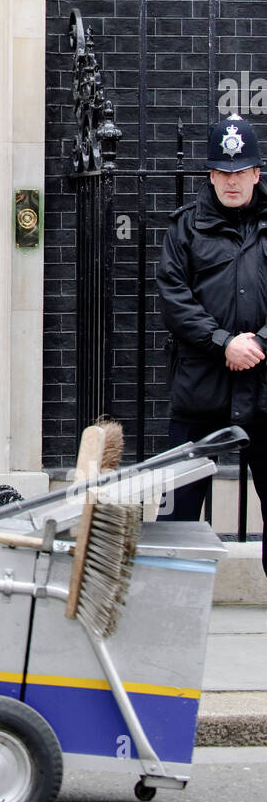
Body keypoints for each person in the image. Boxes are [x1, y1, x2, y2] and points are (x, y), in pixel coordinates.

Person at [157, 114, 267, 574]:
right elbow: (173, 295)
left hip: (264, 390)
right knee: (178, 518)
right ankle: (168, 609)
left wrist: (260, 341)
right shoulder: (185, 228)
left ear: (257, 173)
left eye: (240, 172)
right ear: (210, 175)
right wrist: (223, 342)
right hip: (200, 389)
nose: (232, 182)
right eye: (223, 172)